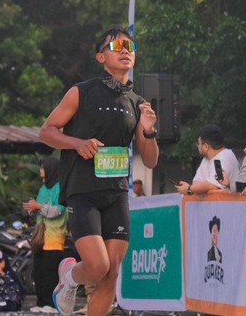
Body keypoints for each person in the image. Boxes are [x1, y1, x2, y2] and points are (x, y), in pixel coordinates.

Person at [39, 25, 159, 316]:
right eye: (117, 46)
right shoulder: (80, 92)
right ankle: (69, 277)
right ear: (100, 57)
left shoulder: (137, 103)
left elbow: (151, 161)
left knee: (111, 272)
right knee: (97, 266)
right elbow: (46, 131)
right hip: (83, 191)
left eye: (130, 47)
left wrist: (149, 130)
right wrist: (78, 143)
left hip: (116, 193)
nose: (125, 52)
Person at [23, 157, 67, 314]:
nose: (40, 170)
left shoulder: (60, 188)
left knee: (50, 273)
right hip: (40, 239)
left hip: (54, 238)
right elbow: (40, 208)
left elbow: (57, 210)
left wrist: (39, 206)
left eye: (43, 168)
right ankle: (41, 302)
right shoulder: (43, 188)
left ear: (50, 170)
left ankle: (51, 304)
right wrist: (32, 208)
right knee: (39, 272)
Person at [176, 124, 239, 195]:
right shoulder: (207, 158)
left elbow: (213, 185)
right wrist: (192, 189)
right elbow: (196, 183)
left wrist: (189, 189)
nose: (197, 146)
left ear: (206, 146)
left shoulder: (223, 157)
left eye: (198, 143)